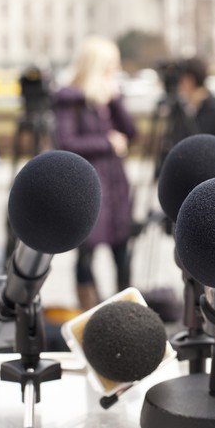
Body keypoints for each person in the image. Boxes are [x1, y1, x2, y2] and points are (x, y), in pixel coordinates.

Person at [53, 36, 138, 310]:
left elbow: (132, 133)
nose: (114, 71)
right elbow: (66, 141)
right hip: (88, 185)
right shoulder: (71, 100)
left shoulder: (107, 99)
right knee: (86, 252)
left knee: (122, 251)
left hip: (116, 186)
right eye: (109, 66)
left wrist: (115, 100)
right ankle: (89, 311)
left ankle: (127, 310)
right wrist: (107, 143)